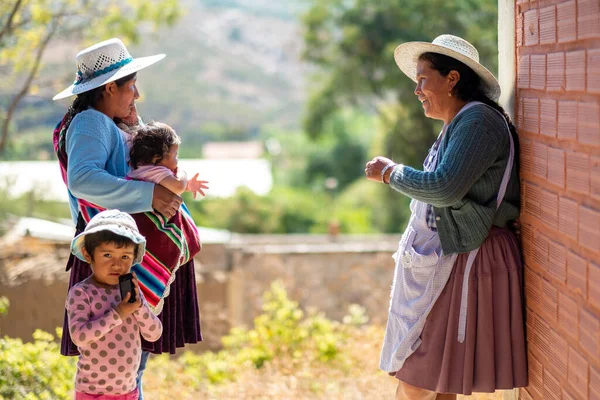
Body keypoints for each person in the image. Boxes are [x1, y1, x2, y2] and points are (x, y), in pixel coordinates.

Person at [365, 34, 527, 399]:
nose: (417, 89)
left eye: (423, 79)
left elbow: (444, 188)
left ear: (452, 79)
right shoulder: (461, 124)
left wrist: (391, 173)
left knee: (416, 375)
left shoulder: (478, 123)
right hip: (456, 254)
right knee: (437, 381)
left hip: (467, 256)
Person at [52, 38, 203, 400]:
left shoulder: (101, 122)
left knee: (128, 361)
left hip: (124, 253)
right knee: (123, 368)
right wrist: (150, 194)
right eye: (131, 86)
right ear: (109, 88)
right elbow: (84, 179)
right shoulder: (91, 122)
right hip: (121, 257)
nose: (136, 94)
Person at [66, 210, 162, 400]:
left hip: (128, 393)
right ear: (87, 254)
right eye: (108, 255)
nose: (117, 265)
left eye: (125, 257)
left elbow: (154, 333)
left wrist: (138, 305)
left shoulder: (131, 294)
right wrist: (118, 313)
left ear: (134, 257)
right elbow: (80, 336)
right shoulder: (81, 293)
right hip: (92, 394)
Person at [127, 121, 209, 199]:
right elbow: (179, 186)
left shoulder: (144, 169)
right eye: (175, 155)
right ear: (157, 157)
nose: (177, 160)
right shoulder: (155, 171)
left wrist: (188, 184)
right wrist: (182, 172)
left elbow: (172, 186)